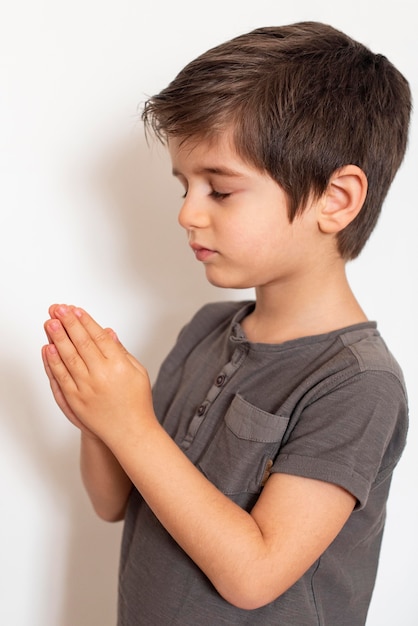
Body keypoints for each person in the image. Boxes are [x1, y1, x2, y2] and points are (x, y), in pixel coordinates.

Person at [42, 21, 411, 626]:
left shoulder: (358, 385)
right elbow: (112, 502)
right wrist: (96, 416)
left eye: (219, 189)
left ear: (336, 199)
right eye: (185, 186)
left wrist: (130, 424)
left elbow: (253, 575)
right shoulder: (206, 330)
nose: (187, 212)